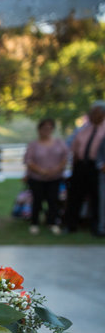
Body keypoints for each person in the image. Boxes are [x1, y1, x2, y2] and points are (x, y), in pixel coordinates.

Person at [64, 100, 105, 236]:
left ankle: (97, 227)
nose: (93, 115)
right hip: (80, 166)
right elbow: (72, 145)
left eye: (96, 112)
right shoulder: (83, 129)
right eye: (92, 112)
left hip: (98, 167)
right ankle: (71, 224)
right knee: (75, 196)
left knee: (97, 198)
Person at [24, 118, 69, 235]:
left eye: (49, 128)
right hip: (37, 178)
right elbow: (28, 161)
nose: (46, 130)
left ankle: (52, 223)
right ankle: (34, 223)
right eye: (44, 128)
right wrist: (41, 171)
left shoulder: (59, 143)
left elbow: (65, 158)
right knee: (37, 200)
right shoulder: (33, 144)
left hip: (55, 177)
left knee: (53, 200)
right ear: (39, 129)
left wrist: (56, 169)